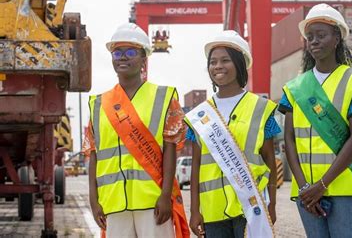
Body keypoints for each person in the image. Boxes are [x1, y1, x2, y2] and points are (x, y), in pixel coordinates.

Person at [278, 4, 352, 238]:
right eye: (310, 37)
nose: (314, 41)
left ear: (337, 39)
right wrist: (305, 188)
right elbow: (289, 140)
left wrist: (321, 186)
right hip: (306, 191)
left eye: (321, 35)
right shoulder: (294, 88)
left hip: (345, 186)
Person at [83, 23, 190, 238]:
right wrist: (94, 201)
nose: (123, 57)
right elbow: (93, 155)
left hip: (153, 201)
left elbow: (171, 149)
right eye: (117, 52)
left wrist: (166, 195)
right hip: (113, 203)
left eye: (131, 52)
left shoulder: (164, 98)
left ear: (144, 59)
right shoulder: (98, 104)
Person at [185, 30, 280, 238]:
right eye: (213, 61)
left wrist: (271, 203)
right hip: (213, 210)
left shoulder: (261, 108)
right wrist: (194, 211)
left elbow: (270, 162)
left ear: (239, 63)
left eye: (225, 60)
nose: (217, 66)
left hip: (251, 207)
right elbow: (196, 167)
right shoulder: (200, 115)